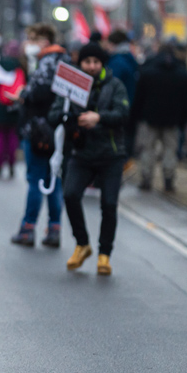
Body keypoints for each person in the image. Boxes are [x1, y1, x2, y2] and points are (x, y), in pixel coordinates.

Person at [50, 43, 129, 276]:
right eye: (87, 62)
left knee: (109, 204)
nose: (92, 66)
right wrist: (68, 117)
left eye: (96, 62)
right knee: (70, 195)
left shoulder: (115, 85)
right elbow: (54, 114)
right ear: (80, 63)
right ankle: (82, 243)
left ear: (102, 63)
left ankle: (105, 254)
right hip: (81, 152)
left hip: (111, 154)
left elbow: (123, 114)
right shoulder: (70, 85)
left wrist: (99, 118)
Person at [10, 23, 70, 248]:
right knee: (54, 180)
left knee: (35, 180)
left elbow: (39, 93)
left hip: (38, 130)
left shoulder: (47, 63)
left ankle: (28, 228)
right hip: (58, 131)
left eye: (33, 39)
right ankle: (54, 229)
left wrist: (23, 94)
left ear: (45, 40)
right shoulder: (66, 61)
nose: (29, 44)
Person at [132, 43, 187, 192]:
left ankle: (146, 178)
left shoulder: (148, 71)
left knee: (147, 149)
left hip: (149, 117)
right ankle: (169, 179)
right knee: (170, 150)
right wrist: (183, 120)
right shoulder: (182, 73)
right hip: (172, 119)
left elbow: (139, 97)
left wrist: (136, 116)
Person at [0, 46, 25, 179]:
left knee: (0, 137)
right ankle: (12, 164)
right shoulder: (20, 66)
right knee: (12, 137)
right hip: (14, 107)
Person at [104, 30, 139, 159]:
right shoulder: (129, 58)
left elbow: (110, 85)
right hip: (128, 105)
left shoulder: (117, 62)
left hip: (117, 107)